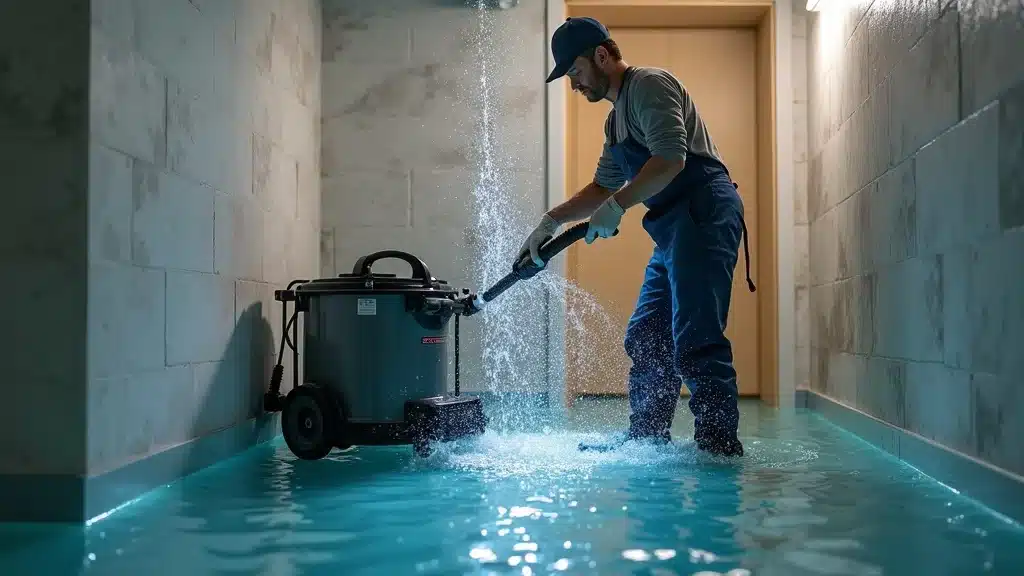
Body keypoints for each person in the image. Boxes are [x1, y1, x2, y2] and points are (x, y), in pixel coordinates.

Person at [516, 17, 755, 457]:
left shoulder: (649, 85)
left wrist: (618, 207)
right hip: (672, 228)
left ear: (602, 57)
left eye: (575, 72)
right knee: (647, 334)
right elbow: (602, 188)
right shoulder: (615, 123)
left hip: (704, 212)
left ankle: (718, 448)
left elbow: (669, 160)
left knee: (697, 335)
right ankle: (647, 439)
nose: (573, 84)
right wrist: (550, 221)